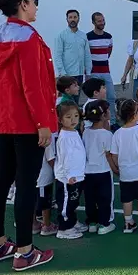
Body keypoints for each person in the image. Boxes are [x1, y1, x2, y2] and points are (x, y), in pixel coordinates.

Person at [0, 0, 55, 271]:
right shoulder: (28, 39)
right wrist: (43, 123)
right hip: (26, 121)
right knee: (26, 183)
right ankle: (25, 251)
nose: (36, 6)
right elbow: (33, 86)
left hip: (3, 119)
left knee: (1, 180)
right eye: (34, 1)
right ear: (23, 5)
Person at [109, 98, 138, 235]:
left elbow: (114, 155)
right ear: (134, 115)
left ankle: (128, 223)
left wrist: (118, 166)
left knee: (127, 199)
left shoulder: (117, 133)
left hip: (126, 173)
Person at [82, 100, 117, 235]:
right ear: (103, 115)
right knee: (105, 198)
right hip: (103, 171)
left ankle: (92, 222)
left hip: (88, 171)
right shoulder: (107, 135)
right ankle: (104, 223)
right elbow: (109, 155)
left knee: (90, 198)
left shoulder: (86, 132)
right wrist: (115, 168)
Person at [54, 101, 88, 240]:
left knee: (73, 201)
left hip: (77, 175)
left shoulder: (74, 132)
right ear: (60, 119)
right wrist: (69, 175)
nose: (73, 119)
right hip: (68, 177)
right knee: (66, 202)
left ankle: (72, 222)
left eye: (75, 115)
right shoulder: (64, 137)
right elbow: (65, 158)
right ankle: (64, 228)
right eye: (68, 117)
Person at [53, 10, 92, 99]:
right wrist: (62, 73)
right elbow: (58, 55)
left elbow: (87, 54)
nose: (73, 19)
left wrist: (88, 72)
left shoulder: (83, 36)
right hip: (67, 74)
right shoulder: (61, 35)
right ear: (67, 19)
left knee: (76, 100)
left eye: (75, 17)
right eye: (70, 17)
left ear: (78, 19)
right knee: (66, 101)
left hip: (79, 74)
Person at [87, 12, 117, 124]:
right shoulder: (88, 37)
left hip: (105, 71)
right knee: (95, 98)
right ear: (93, 22)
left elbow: (108, 52)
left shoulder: (108, 37)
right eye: (99, 21)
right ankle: (94, 120)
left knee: (111, 96)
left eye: (103, 20)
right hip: (94, 72)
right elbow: (87, 55)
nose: (102, 23)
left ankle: (112, 122)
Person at [33, 128, 58, 238]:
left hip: (31, 175)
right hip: (44, 176)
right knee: (45, 202)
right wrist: (57, 172)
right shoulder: (46, 136)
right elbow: (50, 158)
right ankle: (46, 225)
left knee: (32, 199)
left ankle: (33, 223)